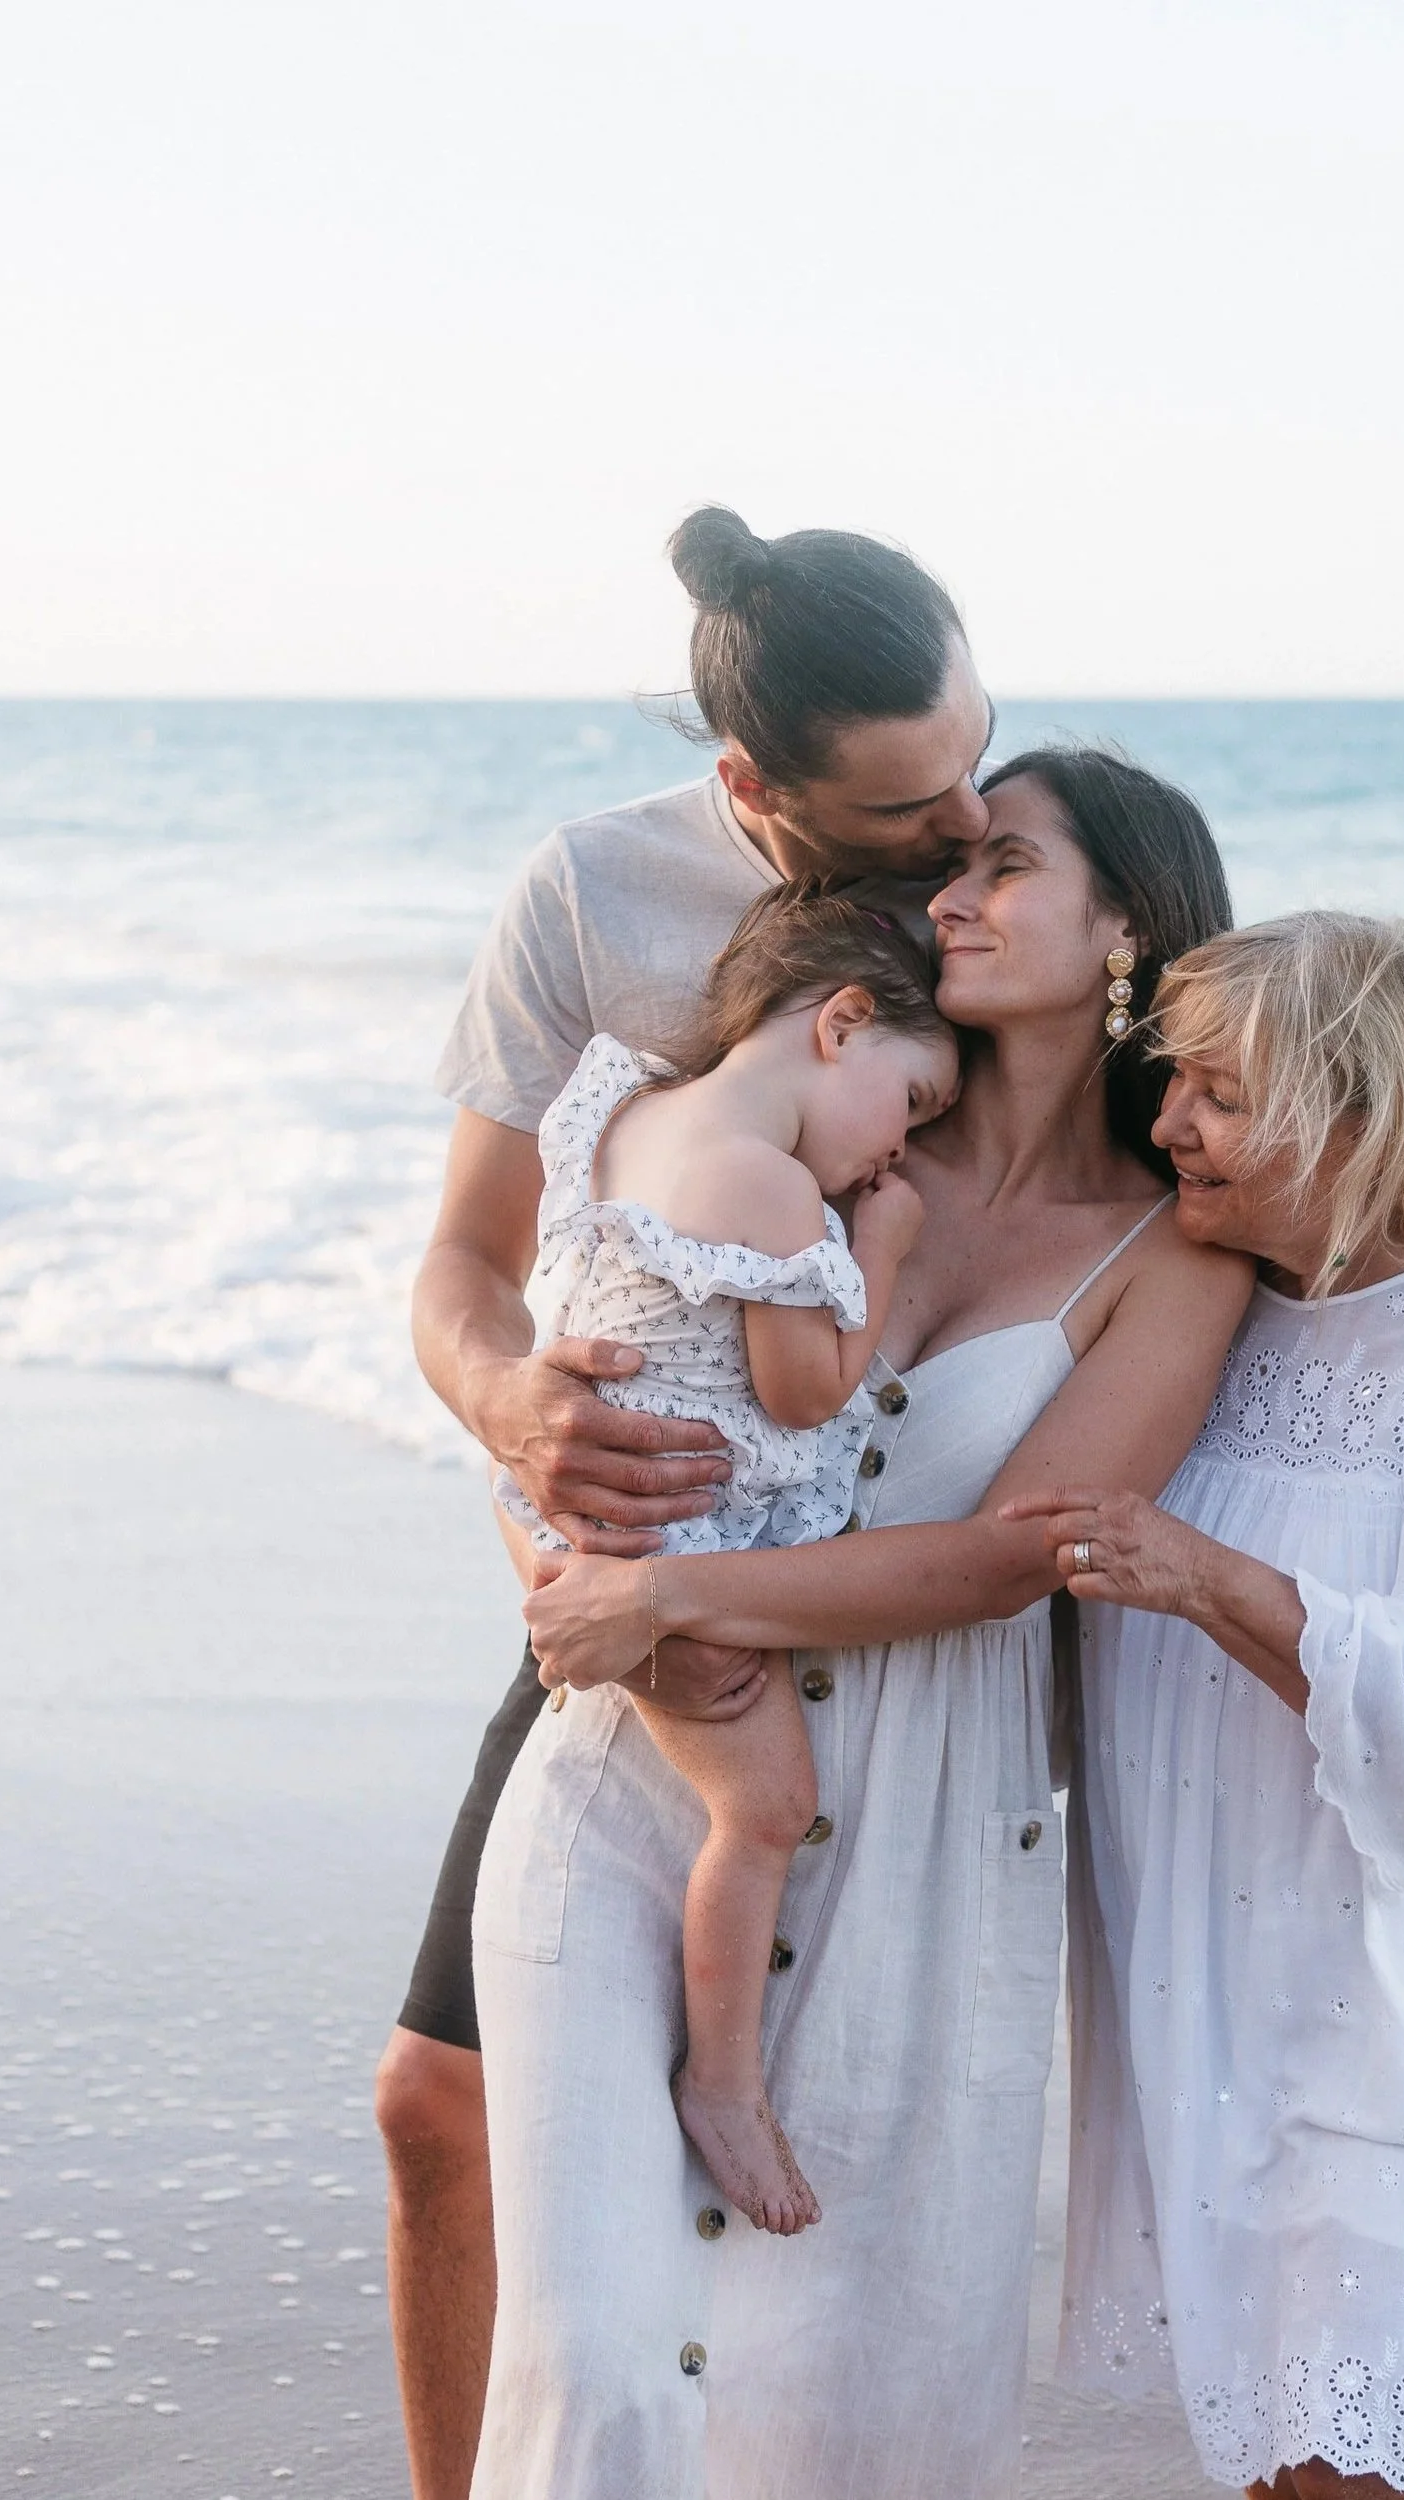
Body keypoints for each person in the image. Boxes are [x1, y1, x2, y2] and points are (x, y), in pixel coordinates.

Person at [377, 503, 1404, 2500]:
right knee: (542, 2277)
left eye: (988, 811)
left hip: (891, 1748)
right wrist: (519, 1423)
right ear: (763, 793)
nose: (953, 849)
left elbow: (1306, 1080)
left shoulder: (1159, 1198)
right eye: (925, 821)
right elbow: (488, 1263)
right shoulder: (627, 918)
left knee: (836, 2403)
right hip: (647, 1677)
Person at [1007, 912, 1404, 2500]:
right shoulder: (1210, 1296)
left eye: (1219, 1090)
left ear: (1357, 1113)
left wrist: (1200, 1577)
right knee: (1287, 2458)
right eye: (1173, 1080)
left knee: (1364, 2451)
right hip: (1214, 1970)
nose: (1172, 1121)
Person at [491, 886, 960, 2234]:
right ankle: (727, 2081)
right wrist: (874, 1253)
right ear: (844, 1024)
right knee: (765, 1810)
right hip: (669, 1540)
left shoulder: (628, 1110)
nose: (895, 1154)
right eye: (914, 1105)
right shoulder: (773, 1190)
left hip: (563, 1505)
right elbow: (806, 1390)